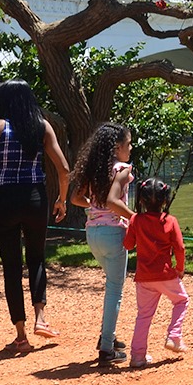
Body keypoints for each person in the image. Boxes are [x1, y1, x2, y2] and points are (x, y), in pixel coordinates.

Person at [0, 80, 70, 353]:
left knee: (11, 266)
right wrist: (62, 199)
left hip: (3, 199)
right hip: (34, 197)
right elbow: (63, 168)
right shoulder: (40, 127)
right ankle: (41, 318)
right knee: (37, 257)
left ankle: (21, 334)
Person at [70, 123, 134, 365]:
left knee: (111, 286)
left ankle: (108, 336)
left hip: (92, 234)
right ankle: (106, 348)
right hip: (113, 234)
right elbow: (113, 200)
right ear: (117, 147)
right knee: (115, 290)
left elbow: (77, 198)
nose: (130, 148)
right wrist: (134, 217)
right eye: (128, 144)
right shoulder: (122, 169)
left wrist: (94, 207)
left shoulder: (96, 169)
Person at [123, 178, 188, 369]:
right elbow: (180, 248)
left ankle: (137, 356)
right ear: (165, 201)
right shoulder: (170, 221)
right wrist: (180, 268)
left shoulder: (135, 220)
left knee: (144, 316)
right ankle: (174, 336)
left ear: (140, 201)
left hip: (144, 277)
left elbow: (128, 245)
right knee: (181, 300)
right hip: (166, 274)